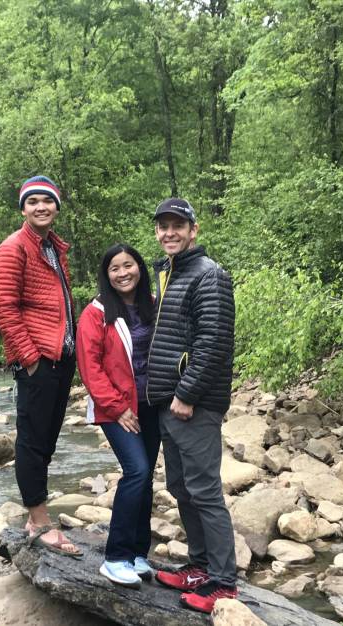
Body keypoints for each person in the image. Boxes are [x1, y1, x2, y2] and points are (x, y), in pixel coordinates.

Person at [146, 198, 237, 612]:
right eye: (163, 226)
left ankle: (223, 582)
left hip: (193, 404)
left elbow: (213, 342)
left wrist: (187, 394)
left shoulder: (208, 274)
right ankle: (200, 566)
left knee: (204, 491)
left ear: (193, 230)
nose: (169, 232)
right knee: (181, 488)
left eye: (177, 226)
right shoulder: (170, 272)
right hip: (170, 401)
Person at [0, 175, 82, 558]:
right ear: (23, 209)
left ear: (56, 206)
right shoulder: (13, 249)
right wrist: (30, 359)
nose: (41, 206)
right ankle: (39, 522)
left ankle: (37, 515)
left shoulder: (53, 248)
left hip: (60, 358)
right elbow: (5, 310)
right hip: (38, 360)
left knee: (46, 440)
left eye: (47, 200)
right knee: (32, 440)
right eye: (33, 201)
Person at [76, 243, 160, 588]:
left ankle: (138, 554)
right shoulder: (95, 313)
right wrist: (117, 407)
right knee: (136, 471)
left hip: (152, 404)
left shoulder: (153, 304)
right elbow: (90, 367)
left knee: (146, 476)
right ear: (106, 274)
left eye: (128, 265)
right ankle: (115, 558)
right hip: (117, 408)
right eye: (115, 268)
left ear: (139, 267)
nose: (123, 273)